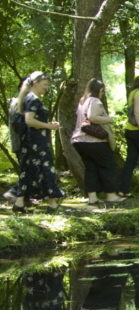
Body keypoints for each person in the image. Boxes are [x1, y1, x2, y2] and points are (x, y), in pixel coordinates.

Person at [8, 71, 63, 213]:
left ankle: (19, 203)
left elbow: (32, 120)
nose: (47, 88)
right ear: (36, 83)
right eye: (45, 85)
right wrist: (49, 126)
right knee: (47, 169)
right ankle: (52, 204)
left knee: (29, 170)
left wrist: (47, 123)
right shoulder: (33, 99)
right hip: (37, 141)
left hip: (30, 140)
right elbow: (29, 121)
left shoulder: (27, 98)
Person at [71, 79, 125, 206]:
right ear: (98, 90)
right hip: (93, 140)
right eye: (102, 90)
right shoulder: (95, 101)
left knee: (91, 168)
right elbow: (92, 117)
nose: (103, 93)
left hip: (79, 140)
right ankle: (111, 195)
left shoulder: (82, 101)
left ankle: (92, 197)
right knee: (108, 165)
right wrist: (109, 119)